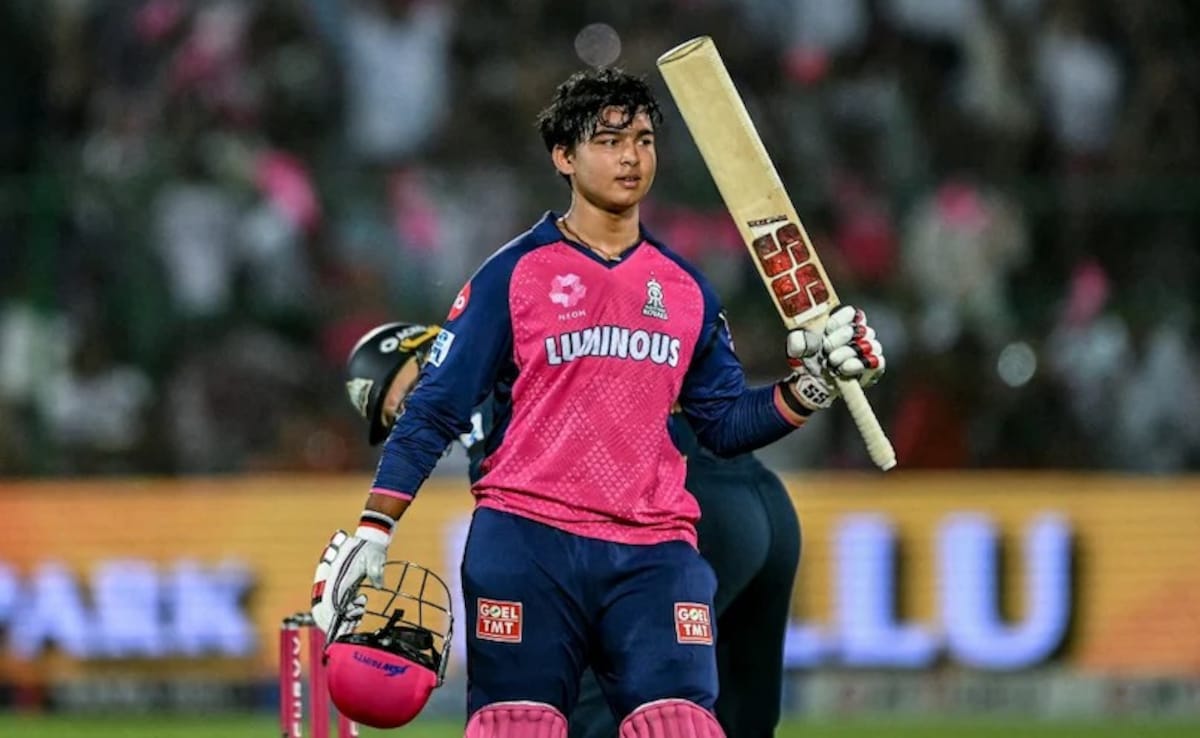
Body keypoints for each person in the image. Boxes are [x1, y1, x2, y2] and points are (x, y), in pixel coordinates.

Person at [313, 67, 885, 738]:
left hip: (659, 538)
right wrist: (375, 527)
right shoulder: (512, 275)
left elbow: (725, 424)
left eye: (641, 139)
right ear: (564, 156)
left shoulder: (684, 288)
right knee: (528, 727)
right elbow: (433, 411)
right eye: (609, 141)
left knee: (667, 728)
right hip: (543, 538)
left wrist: (810, 386)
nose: (630, 157)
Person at [342, 320, 805, 738]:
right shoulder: (527, 336)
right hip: (762, 506)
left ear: (429, 353)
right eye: (396, 418)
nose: (409, 417)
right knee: (736, 721)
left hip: (690, 514)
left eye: (407, 397)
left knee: (591, 706)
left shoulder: (491, 380)